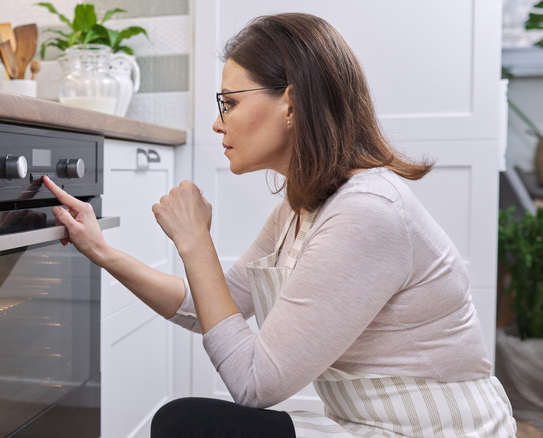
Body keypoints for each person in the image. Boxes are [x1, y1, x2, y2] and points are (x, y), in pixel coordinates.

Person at [42, 12, 517, 438]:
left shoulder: (367, 211)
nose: (216, 122)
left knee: (186, 425)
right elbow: (203, 307)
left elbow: (254, 384)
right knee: (183, 422)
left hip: (435, 432)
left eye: (229, 101)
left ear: (291, 103)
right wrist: (103, 251)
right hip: (364, 425)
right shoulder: (302, 206)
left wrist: (195, 242)